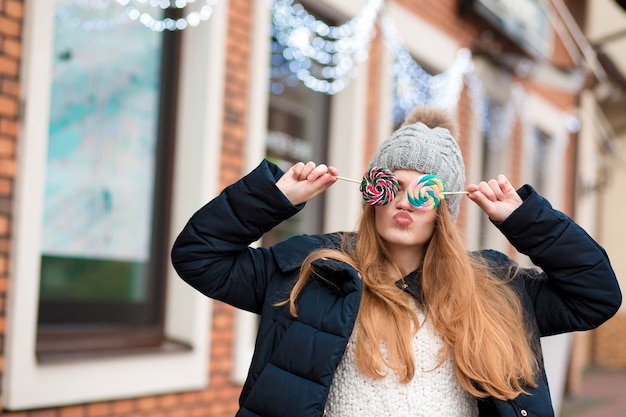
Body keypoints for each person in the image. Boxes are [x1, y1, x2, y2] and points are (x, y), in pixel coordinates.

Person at [170, 107, 621, 417]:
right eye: (389, 184)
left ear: (445, 206)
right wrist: (272, 197)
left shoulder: (495, 288)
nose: (404, 202)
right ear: (370, 194)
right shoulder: (313, 270)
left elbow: (596, 295)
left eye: (424, 190)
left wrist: (527, 221)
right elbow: (199, 256)